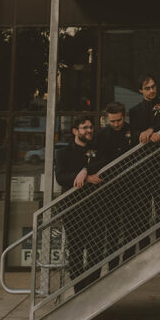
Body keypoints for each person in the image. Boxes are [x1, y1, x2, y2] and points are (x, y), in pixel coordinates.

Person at [54, 113, 104, 292]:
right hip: (73, 208)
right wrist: (84, 178)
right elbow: (60, 177)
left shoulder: (97, 149)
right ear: (75, 131)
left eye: (91, 127)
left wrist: (85, 170)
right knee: (75, 250)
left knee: (96, 250)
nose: (89, 130)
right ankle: (79, 289)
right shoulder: (63, 153)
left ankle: (91, 287)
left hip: (95, 208)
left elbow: (103, 162)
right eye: (85, 128)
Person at [128, 74, 160, 240]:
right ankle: (144, 242)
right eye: (148, 88)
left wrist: (152, 129)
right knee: (142, 205)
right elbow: (133, 133)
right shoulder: (134, 111)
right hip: (143, 164)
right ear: (141, 90)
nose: (152, 90)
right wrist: (143, 134)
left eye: (153, 86)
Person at [90, 102, 133, 267]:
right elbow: (96, 158)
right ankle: (112, 264)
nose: (116, 124)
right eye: (112, 121)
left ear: (124, 116)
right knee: (111, 228)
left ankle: (127, 262)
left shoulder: (131, 131)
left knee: (130, 225)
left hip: (128, 186)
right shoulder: (101, 135)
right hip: (107, 188)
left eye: (119, 120)